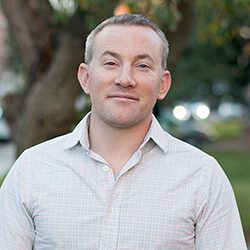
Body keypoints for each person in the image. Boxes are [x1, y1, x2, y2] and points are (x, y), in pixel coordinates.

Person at [0, 14, 247, 250]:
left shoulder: (203, 177)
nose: (125, 78)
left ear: (163, 84)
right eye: (110, 63)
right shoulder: (31, 170)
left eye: (142, 65)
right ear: (85, 78)